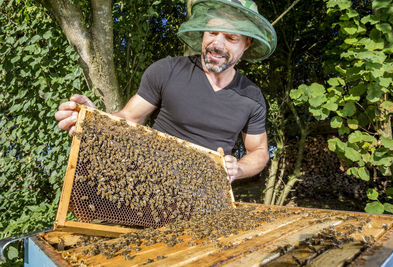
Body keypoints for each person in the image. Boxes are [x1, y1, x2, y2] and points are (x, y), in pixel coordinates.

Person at [55, 0, 277, 183]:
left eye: (230, 38)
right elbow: (129, 117)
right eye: (212, 32)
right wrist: (94, 120)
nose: (216, 43)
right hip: (149, 185)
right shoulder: (167, 70)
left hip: (206, 199)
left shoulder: (252, 96)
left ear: (246, 44)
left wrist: (237, 168)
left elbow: (258, 151)